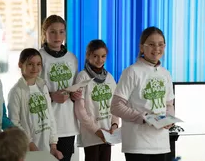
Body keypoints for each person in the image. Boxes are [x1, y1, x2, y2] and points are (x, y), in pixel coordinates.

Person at [111, 27, 175, 161]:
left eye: (160, 44)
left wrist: (169, 118)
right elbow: (116, 106)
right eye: (151, 44)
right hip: (137, 144)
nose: (156, 48)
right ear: (141, 47)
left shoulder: (166, 73)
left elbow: (169, 103)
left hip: (161, 143)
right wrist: (144, 117)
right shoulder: (131, 72)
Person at [39, 15, 82, 161]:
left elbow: (75, 86)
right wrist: (51, 96)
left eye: (61, 31)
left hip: (68, 122)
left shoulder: (72, 58)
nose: (58, 36)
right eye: (52, 32)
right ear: (44, 33)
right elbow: (31, 90)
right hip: (46, 124)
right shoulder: (39, 57)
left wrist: (76, 95)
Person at [8, 48, 63, 159]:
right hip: (28, 151)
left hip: (46, 150)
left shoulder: (43, 87)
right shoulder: (16, 91)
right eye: (30, 64)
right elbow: (14, 123)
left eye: (38, 64)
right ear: (20, 64)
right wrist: (30, 144)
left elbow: (50, 116)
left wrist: (53, 146)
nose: (35, 68)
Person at [74, 40, 119, 161]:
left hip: (108, 134)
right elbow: (80, 110)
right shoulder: (82, 76)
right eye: (95, 56)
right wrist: (97, 130)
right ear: (88, 56)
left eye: (103, 56)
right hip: (91, 135)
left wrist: (114, 125)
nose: (100, 60)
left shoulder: (109, 77)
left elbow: (115, 104)